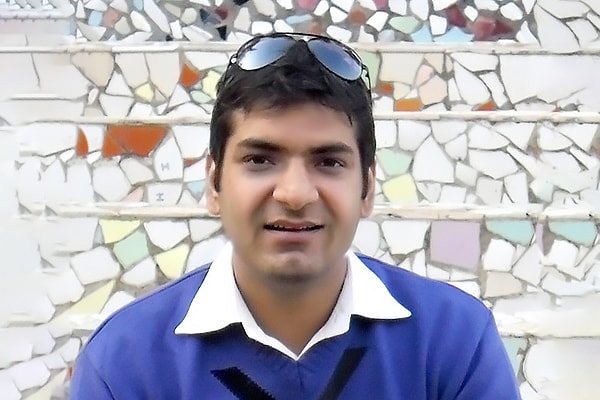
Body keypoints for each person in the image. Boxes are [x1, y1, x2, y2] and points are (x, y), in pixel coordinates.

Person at [70, 33, 520, 399]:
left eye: (329, 162)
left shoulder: (452, 342)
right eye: (260, 160)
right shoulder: (125, 363)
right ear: (214, 183)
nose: (295, 194)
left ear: (367, 188)